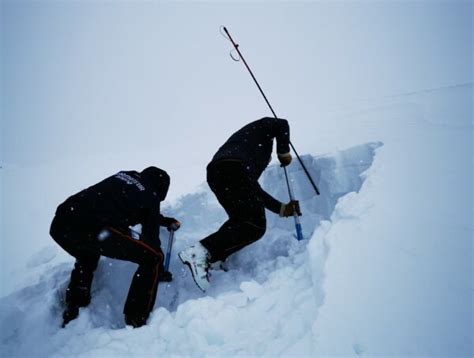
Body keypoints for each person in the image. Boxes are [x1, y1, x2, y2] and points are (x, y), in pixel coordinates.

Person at [178, 117, 301, 292]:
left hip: (217, 173)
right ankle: (200, 251)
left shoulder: (246, 144)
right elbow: (282, 123)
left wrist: (281, 209)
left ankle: (213, 258)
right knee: (255, 226)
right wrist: (283, 151)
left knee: (242, 220)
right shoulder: (262, 129)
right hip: (233, 169)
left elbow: (252, 188)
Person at [50, 167, 180, 328]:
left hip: (62, 222)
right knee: (152, 258)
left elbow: (127, 205)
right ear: (160, 190)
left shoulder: (125, 175)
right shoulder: (151, 195)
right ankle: (136, 318)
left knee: (88, 254)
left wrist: (163, 220)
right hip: (96, 228)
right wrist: (159, 270)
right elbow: (151, 239)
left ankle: (75, 305)